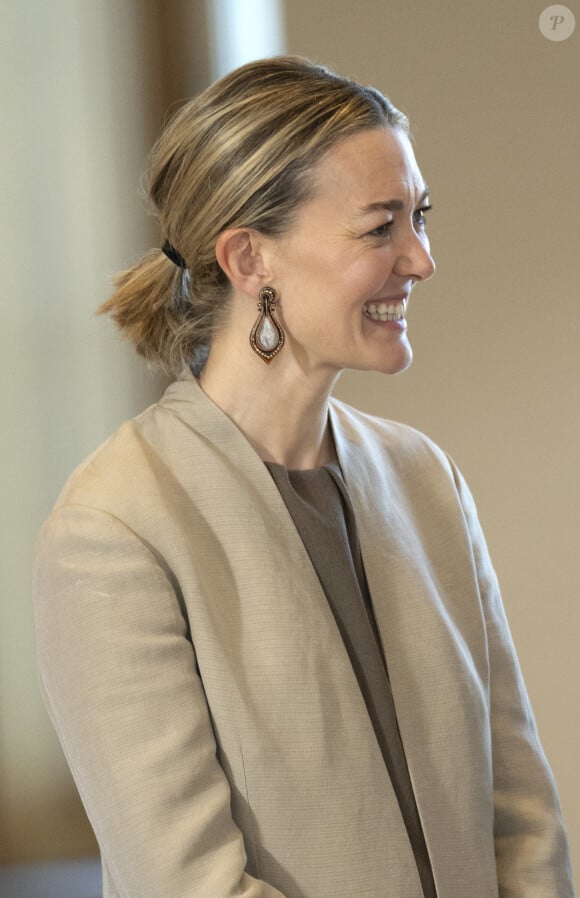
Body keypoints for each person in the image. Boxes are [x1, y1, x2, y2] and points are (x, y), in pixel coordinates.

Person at [33, 56, 574, 898]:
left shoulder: (426, 482)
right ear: (251, 259)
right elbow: (187, 883)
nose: (420, 259)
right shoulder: (115, 528)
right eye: (379, 227)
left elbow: (523, 820)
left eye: (420, 218)